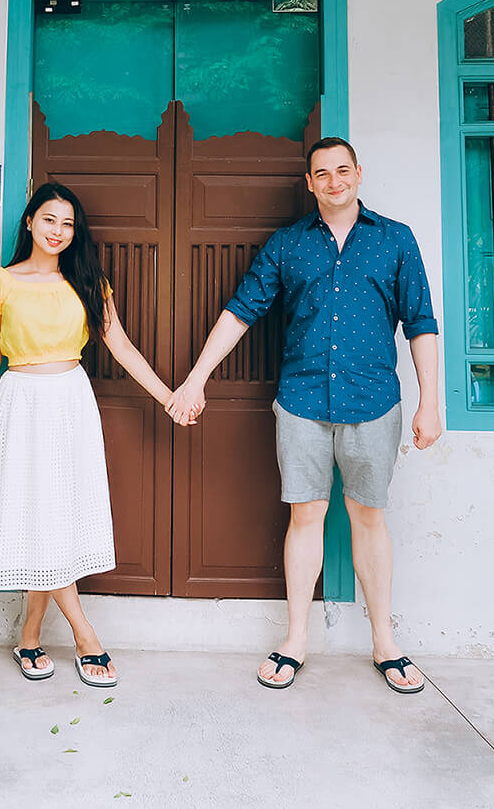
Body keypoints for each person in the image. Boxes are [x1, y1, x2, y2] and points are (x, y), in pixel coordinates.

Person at [166, 138, 440, 695]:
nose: (334, 180)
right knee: (305, 516)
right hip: (302, 402)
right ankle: (295, 640)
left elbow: (421, 323)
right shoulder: (289, 245)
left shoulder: (395, 240)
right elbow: (241, 311)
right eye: (322, 173)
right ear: (309, 182)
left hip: (373, 401)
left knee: (368, 519)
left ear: (359, 173)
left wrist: (430, 400)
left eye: (343, 170)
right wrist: (196, 377)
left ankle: (384, 641)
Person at [0, 181, 173, 686]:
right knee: (40, 515)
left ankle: (30, 636)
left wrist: (167, 396)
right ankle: (85, 636)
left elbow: (120, 346)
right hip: (20, 404)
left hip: (70, 402)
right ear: (30, 222)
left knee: (53, 516)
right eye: (50, 220)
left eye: (68, 224)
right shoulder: (0, 283)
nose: (58, 231)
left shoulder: (87, 281)